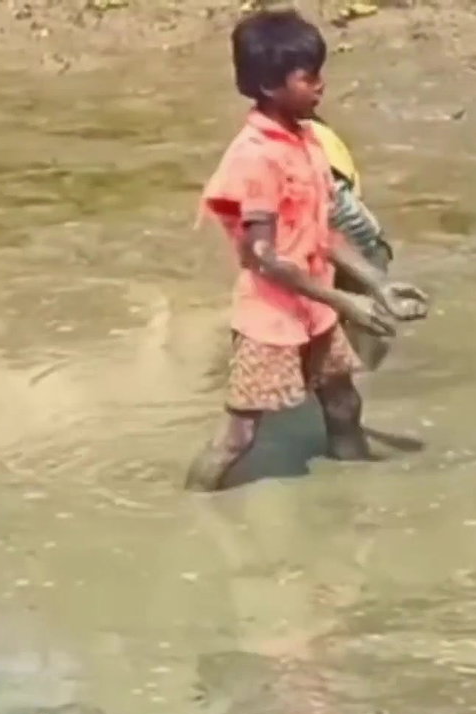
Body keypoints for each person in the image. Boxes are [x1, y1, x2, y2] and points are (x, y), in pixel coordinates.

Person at [184, 9, 430, 493]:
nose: (321, 85)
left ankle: (358, 496)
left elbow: (320, 233)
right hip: (272, 318)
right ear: (270, 86)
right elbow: (263, 256)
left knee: (343, 404)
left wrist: (378, 284)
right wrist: (344, 301)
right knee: (238, 436)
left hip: (315, 308)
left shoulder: (308, 141)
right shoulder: (257, 156)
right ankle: (191, 506)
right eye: (308, 76)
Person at [308, 116, 397, 369]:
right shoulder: (313, 134)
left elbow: (339, 210)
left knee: (355, 342)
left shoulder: (305, 138)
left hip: (349, 244)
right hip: (354, 243)